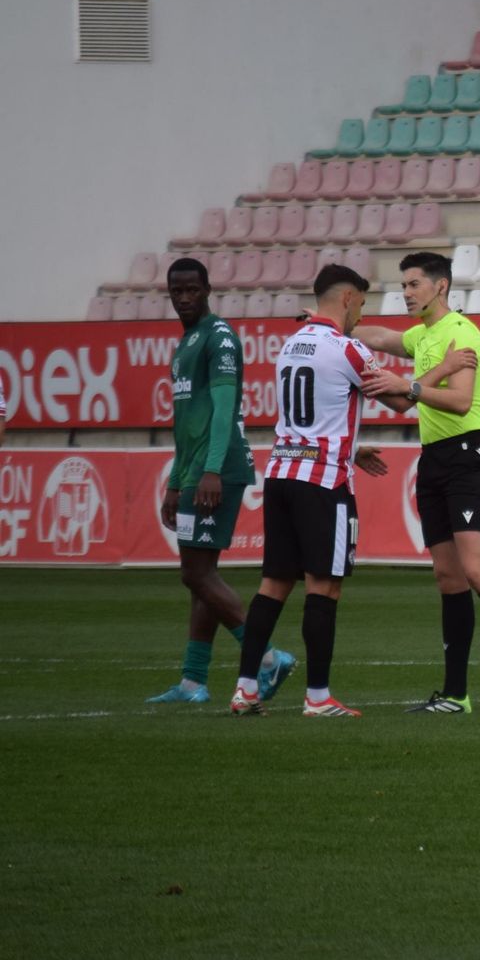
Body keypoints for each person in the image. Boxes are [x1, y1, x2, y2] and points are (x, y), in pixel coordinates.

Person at [355, 251, 480, 714]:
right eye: (403, 285)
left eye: (414, 284)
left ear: (440, 287)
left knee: (478, 570)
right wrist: (328, 324)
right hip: (435, 458)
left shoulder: (461, 334)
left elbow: (462, 403)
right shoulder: (423, 334)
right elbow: (379, 336)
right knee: (448, 578)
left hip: (467, 455)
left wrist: (414, 386)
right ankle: (456, 694)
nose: (406, 293)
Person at [231, 266, 389, 717]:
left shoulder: (289, 345)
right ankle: (318, 696)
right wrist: (446, 370)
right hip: (323, 481)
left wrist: (351, 446)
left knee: (274, 583)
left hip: (282, 472)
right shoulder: (348, 349)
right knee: (324, 587)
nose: (361, 311)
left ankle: (245, 688)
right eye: (361, 302)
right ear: (346, 297)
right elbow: (399, 397)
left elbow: (315, 412)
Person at [149, 258, 293, 705]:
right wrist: (176, 480)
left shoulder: (220, 337)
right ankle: (193, 682)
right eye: (178, 291)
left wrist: (210, 470)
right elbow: (186, 423)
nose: (185, 297)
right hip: (196, 471)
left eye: (193, 289)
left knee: (195, 573)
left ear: (208, 289)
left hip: (219, 469)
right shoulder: (187, 342)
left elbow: (224, 409)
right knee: (201, 576)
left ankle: (267, 658)